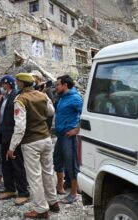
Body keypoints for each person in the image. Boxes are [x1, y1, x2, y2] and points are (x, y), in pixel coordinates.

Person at [7, 73, 59, 218]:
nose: (17, 84)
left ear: (22, 84)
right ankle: (53, 201)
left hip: (31, 142)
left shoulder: (20, 99)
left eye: (17, 81)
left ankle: (41, 209)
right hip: (46, 139)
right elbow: (51, 112)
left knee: (34, 177)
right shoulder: (42, 95)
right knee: (48, 172)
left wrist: (12, 147)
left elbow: (20, 127)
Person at [0, 75, 30, 205]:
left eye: (2, 84)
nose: (1, 87)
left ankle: (23, 192)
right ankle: (10, 189)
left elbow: (18, 120)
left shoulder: (16, 97)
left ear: (8, 84)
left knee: (17, 164)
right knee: (6, 164)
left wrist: (15, 140)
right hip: (4, 136)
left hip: (13, 137)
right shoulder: (6, 98)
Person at [53, 75, 83, 204]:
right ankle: (60, 187)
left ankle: (74, 193)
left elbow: (84, 115)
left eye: (58, 85)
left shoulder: (75, 98)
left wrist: (76, 130)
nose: (56, 87)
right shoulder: (62, 97)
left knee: (71, 164)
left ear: (65, 85)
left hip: (69, 136)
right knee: (57, 160)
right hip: (60, 135)